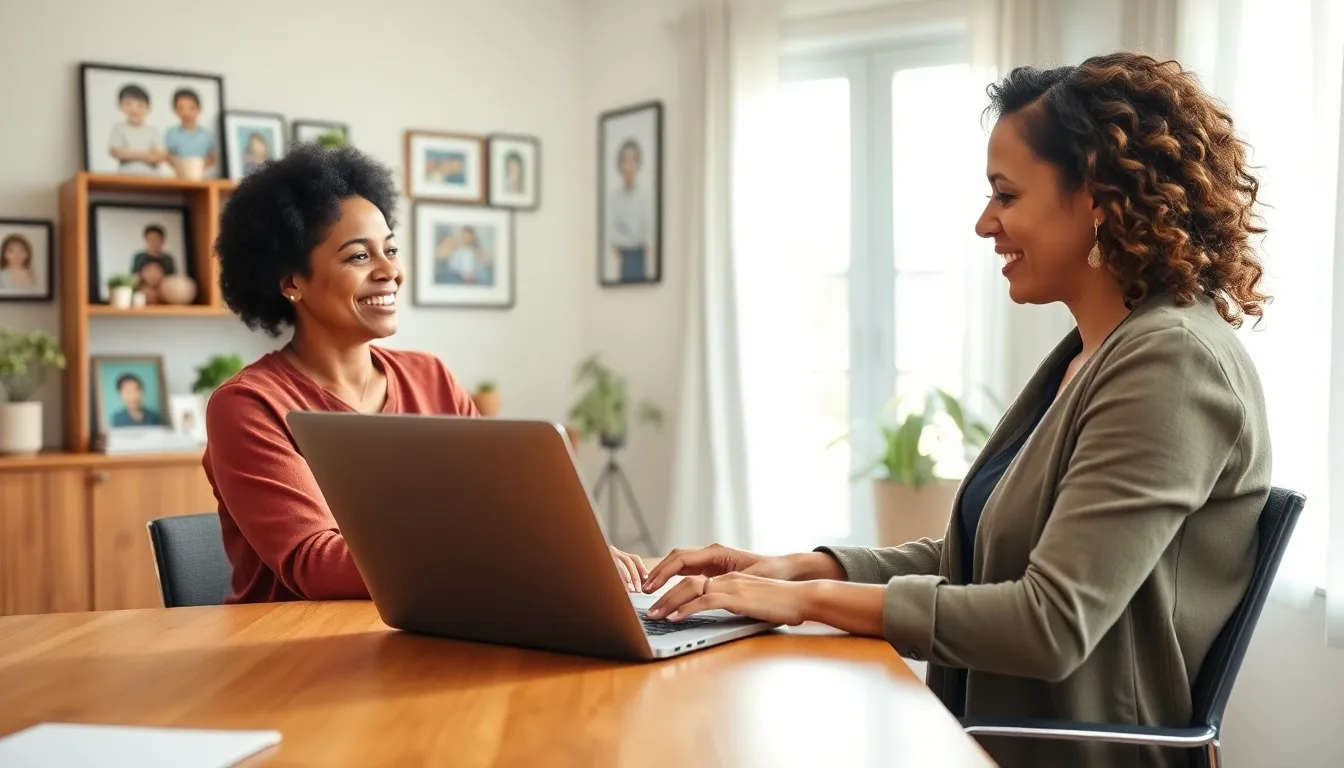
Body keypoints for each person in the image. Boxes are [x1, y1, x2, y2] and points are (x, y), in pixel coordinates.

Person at [640, 52, 1271, 768]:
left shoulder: (1174, 363)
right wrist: (796, 569)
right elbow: (985, 556)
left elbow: (1049, 622)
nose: (983, 224)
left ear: (1096, 195)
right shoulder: (1092, 355)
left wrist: (806, 603)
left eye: (1006, 195)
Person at [204, 143, 648, 604]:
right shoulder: (249, 405)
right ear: (291, 282)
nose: (389, 271)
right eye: (359, 257)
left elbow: (498, 508)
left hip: (434, 626)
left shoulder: (430, 376)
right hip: (294, 655)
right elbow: (315, 564)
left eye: (391, 250)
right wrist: (524, 554)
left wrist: (574, 550)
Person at [606, 139, 653, 282]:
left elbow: (646, 230)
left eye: (632, 161)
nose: (628, 166)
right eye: (625, 161)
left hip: (640, 254)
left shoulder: (645, 194)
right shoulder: (614, 196)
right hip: (623, 255)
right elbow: (613, 233)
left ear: (638, 164)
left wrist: (634, 239)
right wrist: (631, 240)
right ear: (619, 165)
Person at [108, 83, 165, 174]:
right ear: (120, 106)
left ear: (148, 108)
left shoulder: (153, 131)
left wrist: (128, 153)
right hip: (126, 176)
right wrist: (147, 155)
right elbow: (116, 152)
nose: (134, 110)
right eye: (128, 104)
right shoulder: (119, 128)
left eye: (140, 105)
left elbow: (159, 156)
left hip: (152, 178)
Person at [164, 88, 217, 177]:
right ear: (175, 111)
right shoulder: (171, 134)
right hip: (178, 177)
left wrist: (198, 167)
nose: (186, 113)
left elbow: (212, 158)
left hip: (203, 177)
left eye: (191, 108)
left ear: (199, 109)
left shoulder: (207, 135)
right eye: (181, 108)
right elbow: (167, 157)